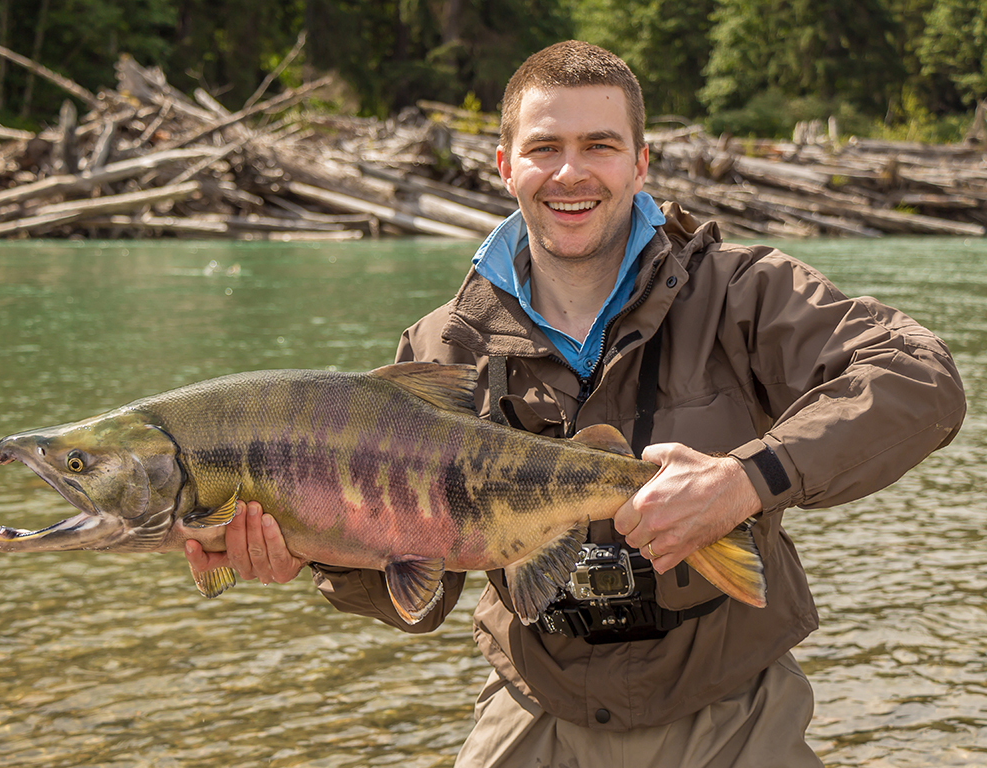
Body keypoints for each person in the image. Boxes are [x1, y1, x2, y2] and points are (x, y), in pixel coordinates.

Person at [185, 41, 966, 767]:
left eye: (599, 145)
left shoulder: (741, 292)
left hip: (735, 706)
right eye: (545, 148)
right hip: (538, 703)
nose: (571, 173)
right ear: (504, 165)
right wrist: (312, 547)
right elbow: (416, 595)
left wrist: (745, 480)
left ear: (640, 163)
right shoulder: (442, 348)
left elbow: (920, 377)